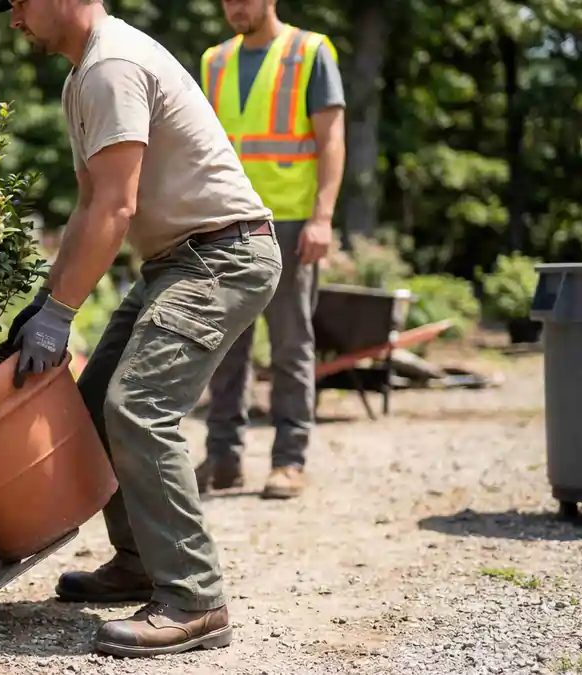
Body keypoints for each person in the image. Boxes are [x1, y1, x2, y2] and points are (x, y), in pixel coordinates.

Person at [0, 0, 282, 658]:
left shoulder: (111, 65)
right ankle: (141, 559)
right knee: (92, 406)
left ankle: (197, 599)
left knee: (140, 405)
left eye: (19, 4)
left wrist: (63, 313)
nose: (13, 22)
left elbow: (118, 204)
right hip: (177, 260)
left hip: (222, 256)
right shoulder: (81, 76)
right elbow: (91, 204)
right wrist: (48, 300)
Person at [196, 0, 346, 500]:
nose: (234, 7)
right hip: (227, 222)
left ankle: (289, 459)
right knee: (224, 346)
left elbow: (331, 141)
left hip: (291, 223)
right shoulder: (214, 61)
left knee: (289, 345)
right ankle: (222, 459)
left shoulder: (310, 52)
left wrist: (323, 217)